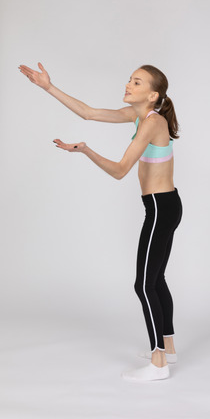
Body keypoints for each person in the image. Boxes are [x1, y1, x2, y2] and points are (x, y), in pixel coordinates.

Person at [18, 62, 183, 382]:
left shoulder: (152, 122)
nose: (128, 84)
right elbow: (89, 112)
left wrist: (86, 150)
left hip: (161, 208)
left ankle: (158, 362)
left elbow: (121, 170)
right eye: (130, 79)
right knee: (156, 278)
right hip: (166, 205)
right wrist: (48, 87)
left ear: (152, 95)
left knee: (144, 284)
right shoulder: (140, 116)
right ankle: (169, 347)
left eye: (137, 82)